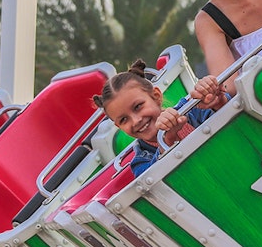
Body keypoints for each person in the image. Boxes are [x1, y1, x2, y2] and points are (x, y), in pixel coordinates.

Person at [92, 60, 227, 176]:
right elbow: (154, 180)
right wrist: (168, 140)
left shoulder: (192, 108)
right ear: (118, 126)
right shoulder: (140, 162)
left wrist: (216, 100)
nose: (136, 120)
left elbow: (230, 124)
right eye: (123, 120)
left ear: (156, 96)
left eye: (138, 106)